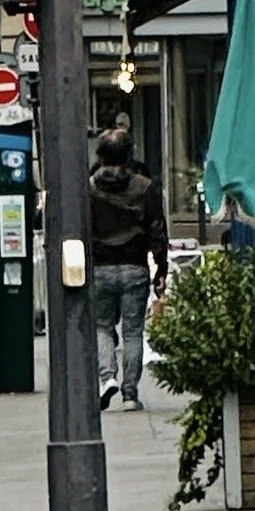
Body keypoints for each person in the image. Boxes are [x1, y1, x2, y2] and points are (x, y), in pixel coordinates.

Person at [87, 122, 166, 412]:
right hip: (134, 266)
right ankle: (130, 394)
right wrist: (161, 268)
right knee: (133, 331)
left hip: (100, 267)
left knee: (101, 327)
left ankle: (107, 376)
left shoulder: (90, 186)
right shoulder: (144, 187)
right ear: (129, 155)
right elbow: (157, 228)